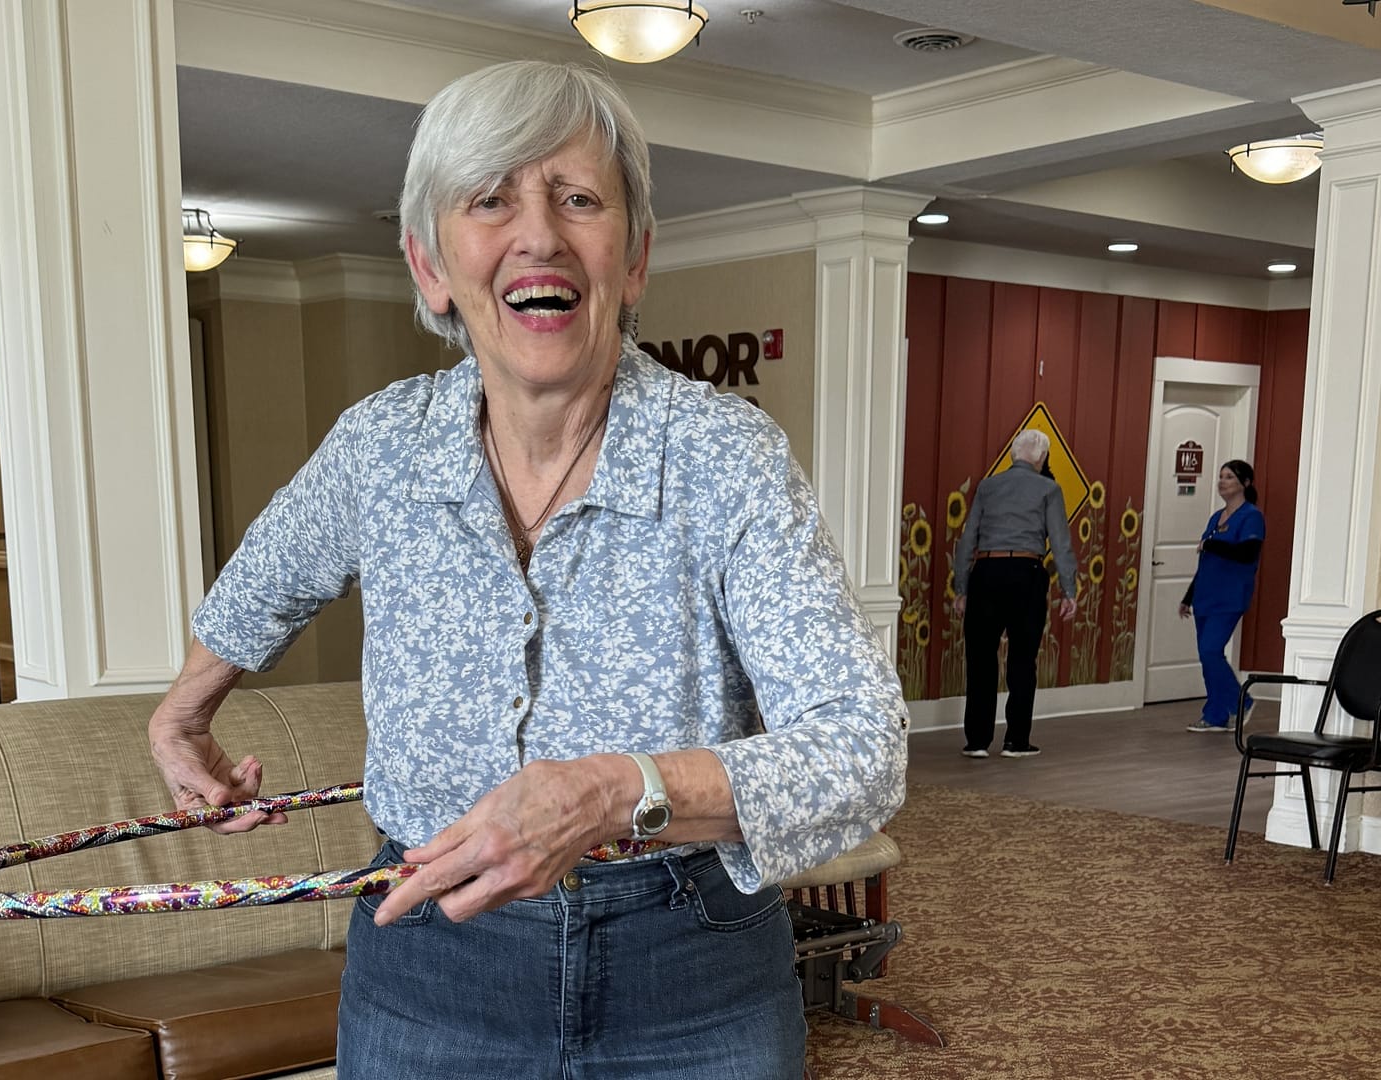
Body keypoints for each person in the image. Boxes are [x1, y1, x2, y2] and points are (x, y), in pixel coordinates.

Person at [146, 60, 908, 1079]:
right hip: (429, 971)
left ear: (633, 258)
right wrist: (184, 711)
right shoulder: (381, 448)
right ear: (429, 265)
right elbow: (265, 578)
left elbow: (863, 751)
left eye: (578, 199)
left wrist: (608, 792)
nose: (539, 234)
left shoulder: (726, 458)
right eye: (491, 199)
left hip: (690, 976)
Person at [952, 429, 1078, 759]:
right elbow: (1060, 542)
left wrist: (961, 588)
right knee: (1023, 659)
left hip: (986, 573)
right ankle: (1016, 740)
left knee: (980, 659)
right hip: (1027, 573)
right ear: (1041, 458)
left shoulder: (988, 486)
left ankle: (977, 741)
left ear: (1012, 454)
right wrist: (1069, 589)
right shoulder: (1048, 488)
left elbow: (968, 540)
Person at [1180, 460, 1264, 732]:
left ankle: (1242, 702)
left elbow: (1247, 554)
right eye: (1221, 477)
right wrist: (1188, 596)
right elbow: (1206, 561)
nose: (1222, 481)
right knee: (1207, 656)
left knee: (1211, 650)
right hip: (1205, 594)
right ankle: (1215, 715)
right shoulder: (1216, 518)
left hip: (1229, 596)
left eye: (1229, 477)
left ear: (1245, 483)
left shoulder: (1251, 517)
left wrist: (1212, 544)